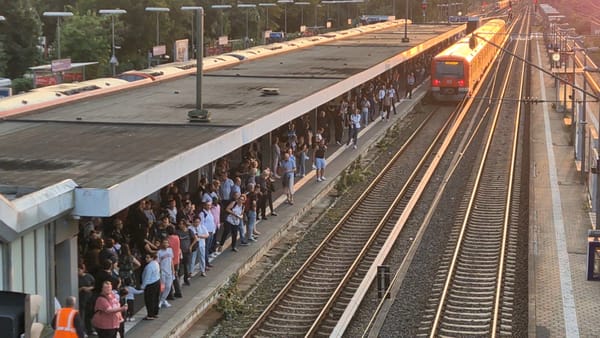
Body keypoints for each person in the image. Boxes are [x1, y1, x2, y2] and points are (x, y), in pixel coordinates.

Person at [140, 253, 160, 320]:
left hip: (150, 284)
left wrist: (143, 286)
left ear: (152, 258)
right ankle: (155, 313)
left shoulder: (149, 267)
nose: (146, 259)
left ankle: (150, 314)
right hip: (157, 282)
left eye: (148, 257)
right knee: (155, 299)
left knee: (149, 300)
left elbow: (146, 278)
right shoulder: (156, 263)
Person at [157, 239, 175, 308]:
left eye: (167, 243)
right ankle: (162, 300)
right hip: (163, 272)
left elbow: (171, 261)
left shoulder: (170, 250)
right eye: (164, 243)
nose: (165, 244)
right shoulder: (159, 252)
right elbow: (158, 263)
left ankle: (162, 300)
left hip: (169, 272)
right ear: (162, 244)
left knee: (168, 287)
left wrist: (173, 270)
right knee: (162, 287)